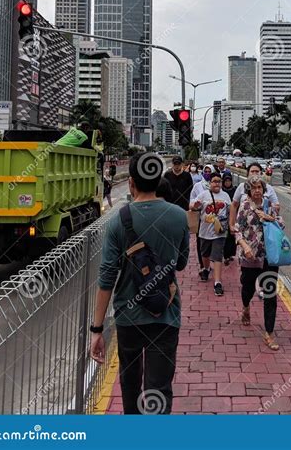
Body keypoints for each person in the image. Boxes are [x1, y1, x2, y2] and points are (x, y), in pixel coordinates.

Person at [90, 153, 189, 415]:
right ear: (158, 180)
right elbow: (180, 264)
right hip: (165, 314)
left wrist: (97, 328)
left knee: (130, 386)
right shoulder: (179, 216)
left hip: (128, 317)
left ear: (131, 182)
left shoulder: (117, 221)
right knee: (159, 390)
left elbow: (107, 277)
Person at [234, 177, 283, 351]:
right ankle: (246, 307)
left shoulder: (270, 204)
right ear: (248, 191)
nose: (257, 190)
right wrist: (244, 245)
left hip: (269, 256)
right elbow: (237, 229)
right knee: (247, 288)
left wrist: (270, 217)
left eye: (259, 187)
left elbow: (281, 224)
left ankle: (269, 333)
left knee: (270, 293)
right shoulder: (245, 206)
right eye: (253, 188)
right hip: (250, 256)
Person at [190, 171, 231, 295]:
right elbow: (192, 206)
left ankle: (217, 282)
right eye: (214, 181)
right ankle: (206, 268)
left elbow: (230, 211)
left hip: (219, 232)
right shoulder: (203, 195)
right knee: (205, 253)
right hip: (204, 231)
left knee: (217, 256)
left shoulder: (225, 196)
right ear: (210, 183)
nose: (217, 184)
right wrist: (195, 205)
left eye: (219, 181)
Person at [222, 173, 237, 265]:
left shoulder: (235, 190)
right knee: (225, 237)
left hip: (234, 215)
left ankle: (231, 254)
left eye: (229, 181)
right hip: (224, 216)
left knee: (233, 236)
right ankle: (225, 255)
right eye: (226, 181)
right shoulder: (221, 191)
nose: (227, 183)